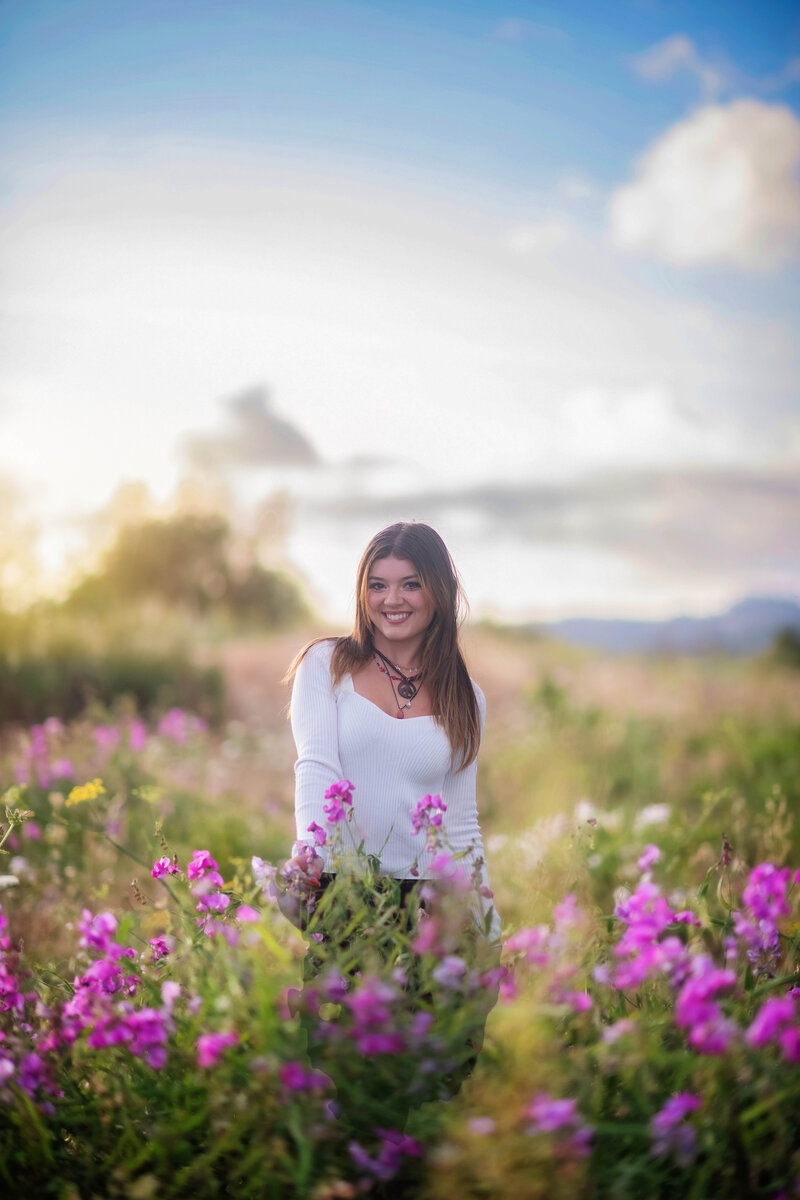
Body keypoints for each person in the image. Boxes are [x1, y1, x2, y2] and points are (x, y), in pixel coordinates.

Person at [284, 520, 500, 946]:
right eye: (378, 585)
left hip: (428, 910)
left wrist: (487, 932)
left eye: (411, 585)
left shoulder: (465, 698)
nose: (392, 600)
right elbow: (315, 766)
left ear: (439, 591)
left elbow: (459, 825)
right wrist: (313, 860)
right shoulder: (325, 664)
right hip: (343, 889)